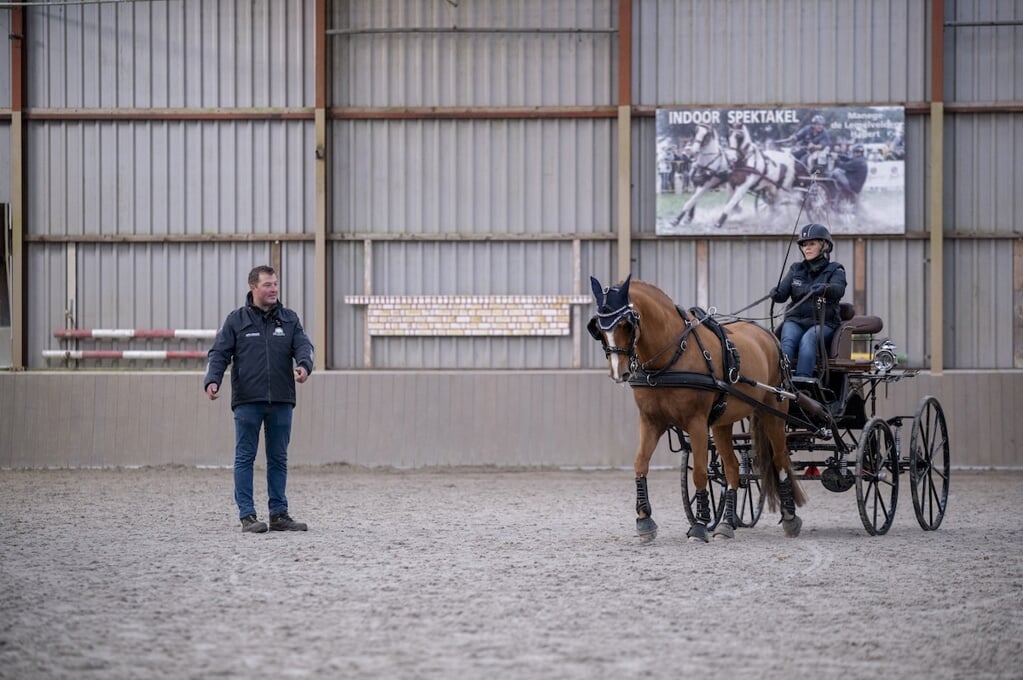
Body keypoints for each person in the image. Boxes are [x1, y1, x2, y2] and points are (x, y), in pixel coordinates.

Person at [204, 265, 315, 533]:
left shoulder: (289, 319)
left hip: (281, 399)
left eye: (275, 284)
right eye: (268, 285)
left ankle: (279, 513)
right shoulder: (236, 321)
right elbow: (219, 353)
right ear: (253, 288)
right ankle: (248, 516)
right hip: (247, 401)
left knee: (278, 458)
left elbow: (304, 345)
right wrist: (212, 379)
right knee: (245, 457)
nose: (274, 289)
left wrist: (304, 365)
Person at [769, 224, 847, 379]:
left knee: (808, 340)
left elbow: (839, 289)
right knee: (787, 342)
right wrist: (776, 293)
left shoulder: (835, 269)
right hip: (795, 320)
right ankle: (780, 381)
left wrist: (825, 288)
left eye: (812, 244)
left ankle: (802, 381)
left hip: (823, 323)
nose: (807, 248)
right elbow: (782, 295)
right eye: (804, 245)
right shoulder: (796, 269)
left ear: (824, 246)